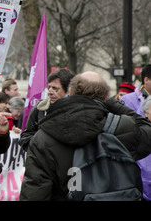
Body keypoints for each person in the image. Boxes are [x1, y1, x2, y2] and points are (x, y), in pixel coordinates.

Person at [20, 71, 151, 201]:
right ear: (105, 97)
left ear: (70, 93)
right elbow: (147, 130)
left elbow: (35, 191)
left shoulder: (44, 136)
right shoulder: (122, 126)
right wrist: (112, 103)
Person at [20, 68, 74, 151]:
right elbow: (25, 138)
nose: (50, 91)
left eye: (55, 88)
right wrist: (41, 145)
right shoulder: (39, 108)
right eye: (49, 87)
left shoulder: (76, 110)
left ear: (68, 91)